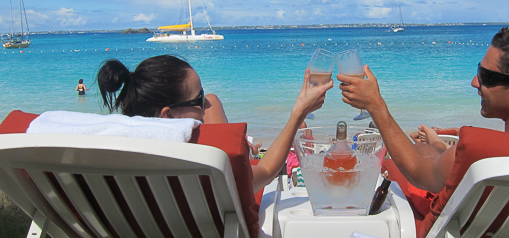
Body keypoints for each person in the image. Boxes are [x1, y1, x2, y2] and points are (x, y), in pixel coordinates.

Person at [337, 25, 509, 236]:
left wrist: (376, 105)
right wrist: (441, 147)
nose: (474, 82)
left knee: (393, 168)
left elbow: (417, 171)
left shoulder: (483, 154)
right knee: (426, 146)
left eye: (486, 76)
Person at [97, 54, 332, 193]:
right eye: (198, 99)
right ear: (167, 115)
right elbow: (266, 171)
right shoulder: (204, 157)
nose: (205, 106)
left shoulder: (109, 154)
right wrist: (298, 114)